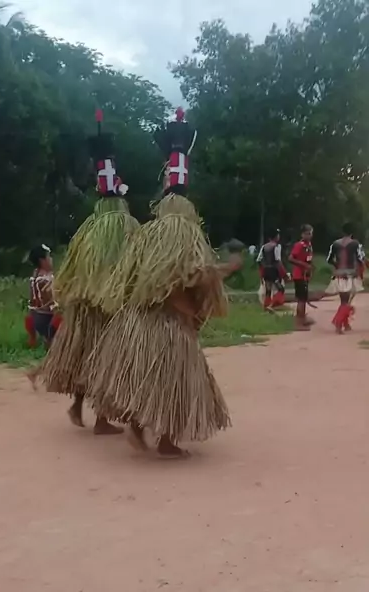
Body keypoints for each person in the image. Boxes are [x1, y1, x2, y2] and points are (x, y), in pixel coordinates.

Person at [87, 108, 238, 459]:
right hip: (169, 322)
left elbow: (134, 277)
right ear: (186, 205)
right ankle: (168, 441)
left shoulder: (145, 234)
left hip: (138, 322)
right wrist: (220, 275)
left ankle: (137, 426)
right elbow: (184, 279)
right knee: (175, 380)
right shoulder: (184, 235)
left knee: (148, 376)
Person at [37, 110, 138, 435]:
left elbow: (72, 270)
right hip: (106, 308)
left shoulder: (89, 231)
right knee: (105, 361)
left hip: (85, 305)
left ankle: (78, 406)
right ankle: (103, 421)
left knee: (85, 356)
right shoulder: (125, 227)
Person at [325, 223, 365, 333]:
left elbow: (329, 259)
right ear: (352, 232)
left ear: (342, 232)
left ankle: (345, 323)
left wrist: (337, 265)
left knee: (344, 299)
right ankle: (338, 323)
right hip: (350, 274)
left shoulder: (335, 244)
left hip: (339, 274)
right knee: (346, 301)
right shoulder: (356, 244)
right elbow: (361, 258)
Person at [24, 244, 60, 350]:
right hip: (46, 318)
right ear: (42, 261)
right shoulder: (45, 280)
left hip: (37, 317)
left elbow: (32, 302)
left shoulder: (35, 276)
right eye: (49, 257)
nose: (51, 259)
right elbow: (52, 302)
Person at [289, 224, 314, 330]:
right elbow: (291, 258)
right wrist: (304, 265)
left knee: (304, 297)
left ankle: (303, 318)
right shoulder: (299, 245)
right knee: (301, 299)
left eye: (311, 233)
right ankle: (298, 322)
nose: (309, 235)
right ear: (302, 234)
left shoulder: (308, 245)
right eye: (307, 233)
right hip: (299, 275)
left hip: (305, 275)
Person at [256, 229, 288, 310]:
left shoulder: (264, 247)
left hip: (266, 270)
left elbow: (259, 260)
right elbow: (278, 261)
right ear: (276, 237)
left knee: (268, 290)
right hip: (274, 271)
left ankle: (266, 306)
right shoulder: (277, 246)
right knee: (280, 289)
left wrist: (262, 272)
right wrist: (284, 273)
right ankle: (273, 305)